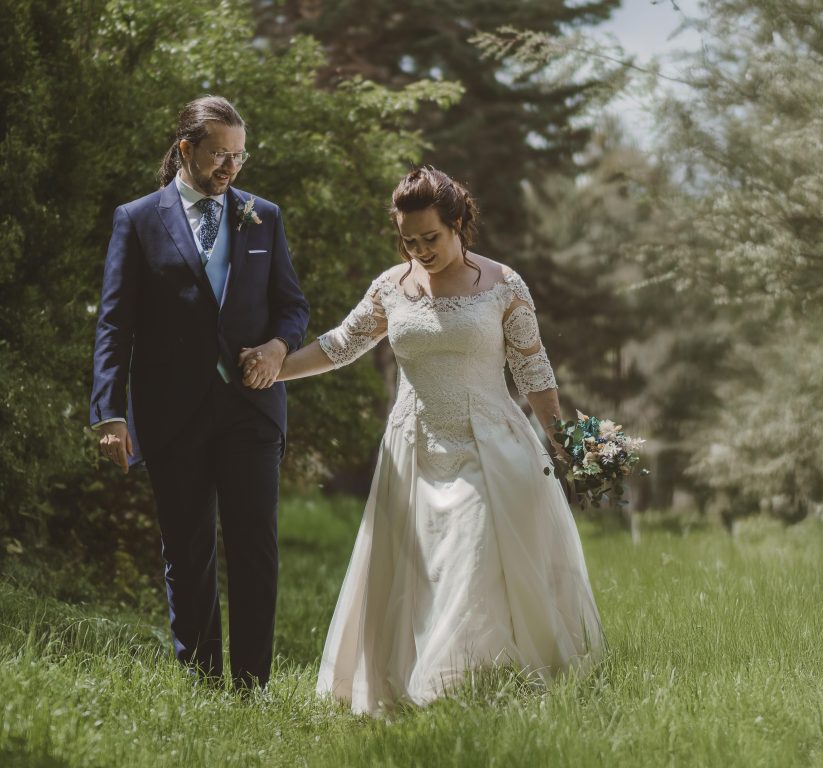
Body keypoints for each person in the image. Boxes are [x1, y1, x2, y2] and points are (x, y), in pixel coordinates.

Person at [245, 166, 603, 714]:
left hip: (491, 446)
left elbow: (535, 375)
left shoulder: (504, 285)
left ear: (459, 224)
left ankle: (463, 690)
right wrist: (274, 366)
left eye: (430, 238)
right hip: (413, 449)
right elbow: (340, 345)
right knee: (422, 570)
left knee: (473, 553)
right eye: (408, 241)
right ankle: (431, 690)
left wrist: (572, 445)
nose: (420, 250)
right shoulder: (392, 286)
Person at [89, 96, 309, 691]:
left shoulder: (264, 216)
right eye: (219, 154)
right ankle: (203, 680)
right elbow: (115, 323)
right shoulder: (136, 219)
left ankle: (251, 686)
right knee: (187, 551)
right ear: (186, 148)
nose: (231, 167)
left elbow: (292, 307)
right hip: (171, 412)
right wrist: (109, 411)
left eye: (239, 156)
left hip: (250, 409)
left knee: (253, 547)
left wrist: (278, 349)